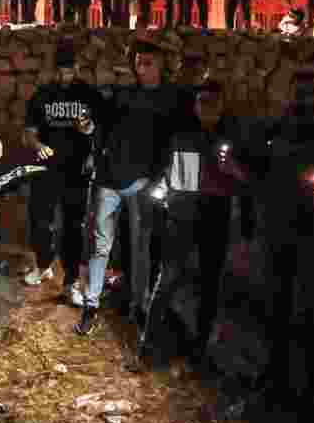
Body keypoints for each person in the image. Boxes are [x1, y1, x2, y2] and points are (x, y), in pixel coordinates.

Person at [223, 72, 314, 403]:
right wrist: (237, 172)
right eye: (299, 92)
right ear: (289, 94)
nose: (303, 97)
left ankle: (310, 379)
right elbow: (254, 173)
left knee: (311, 304)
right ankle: (275, 373)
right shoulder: (272, 130)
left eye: (309, 92)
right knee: (275, 303)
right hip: (277, 228)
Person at [73, 33, 181, 335]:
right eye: (138, 62)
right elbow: (99, 125)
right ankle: (91, 305)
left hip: (143, 183)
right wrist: (89, 126)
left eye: (148, 62)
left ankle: (139, 306)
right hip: (108, 179)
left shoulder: (171, 99)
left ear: (161, 65)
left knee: (141, 248)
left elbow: (177, 140)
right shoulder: (122, 95)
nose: (141, 67)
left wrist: (164, 180)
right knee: (99, 246)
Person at [138, 82, 239, 369]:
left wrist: (232, 169)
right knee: (168, 278)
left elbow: (246, 179)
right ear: (195, 105)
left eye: (213, 103)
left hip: (214, 215)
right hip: (183, 216)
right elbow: (173, 175)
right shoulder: (183, 136)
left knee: (209, 283)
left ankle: (199, 349)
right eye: (202, 102)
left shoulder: (232, 136)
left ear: (221, 107)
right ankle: (149, 340)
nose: (207, 108)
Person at [21, 40, 101, 306]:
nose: (66, 75)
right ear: (55, 70)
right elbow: (28, 134)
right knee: (40, 219)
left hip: (77, 170)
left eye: (70, 70)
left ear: (77, 68)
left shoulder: (88, 94)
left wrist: (87, 128)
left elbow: (99, 130)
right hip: (45, 168)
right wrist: (38, 145)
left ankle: (70, 281)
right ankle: (43, 265)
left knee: (73, 225)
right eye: (61, 70)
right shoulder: (43, 94)